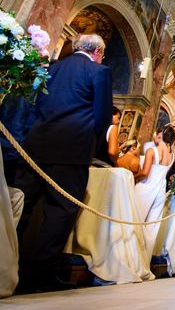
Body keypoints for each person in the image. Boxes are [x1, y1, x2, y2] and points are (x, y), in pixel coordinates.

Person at [13, 34, 112, 292]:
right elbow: (102, 117)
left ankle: (9, 266)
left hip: (34, 148)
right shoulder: (99, 72)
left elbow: (31, 106)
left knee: (20, 207)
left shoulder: (51, 68)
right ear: (98, 51)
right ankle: (39, 275)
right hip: (72, 151)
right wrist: (88, 145)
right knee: (61, 211)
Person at [133, 124, 175, 263]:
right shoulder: (172, 156)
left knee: (135, 220)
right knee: (152, 227)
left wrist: (131, 177)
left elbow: (145, 174)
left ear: (162, 135)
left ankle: (131, 259)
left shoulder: (152, 151)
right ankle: (144, 262)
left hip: (146, 187)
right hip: (160, 191)